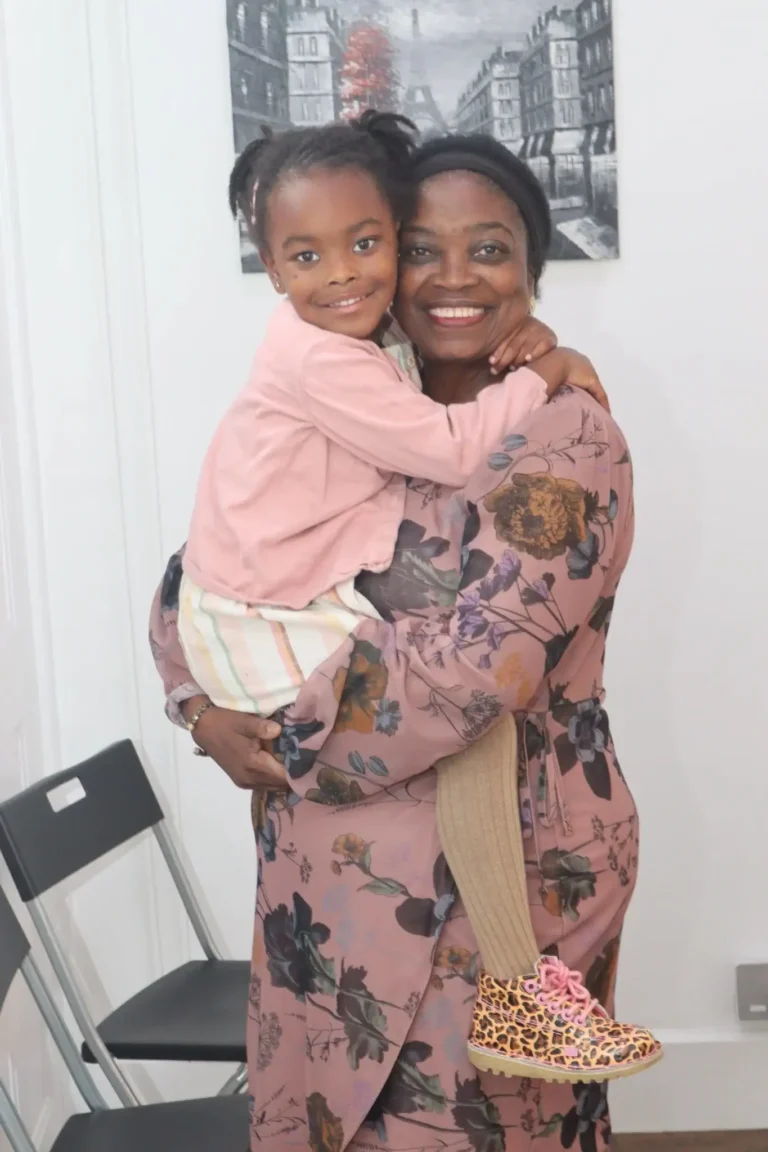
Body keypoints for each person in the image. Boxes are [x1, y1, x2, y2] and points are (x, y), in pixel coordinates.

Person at [150, 132, 651, 1150]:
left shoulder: (566, 433)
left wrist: (281, 738)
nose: (454, 277)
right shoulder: (356, 395)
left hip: (495, 892)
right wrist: (200, 710)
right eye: (421, 248)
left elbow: (482, 666)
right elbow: (208, 567)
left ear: (532, 269)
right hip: (325, 894)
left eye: (491, 248)